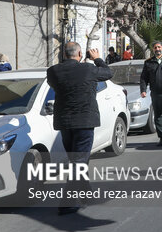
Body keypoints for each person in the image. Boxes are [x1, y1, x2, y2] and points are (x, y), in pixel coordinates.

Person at [46, 42, 113, 215]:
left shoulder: (53, 71)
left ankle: (85, 193)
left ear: (64, 54)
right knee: (79, 162)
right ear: (80, 54)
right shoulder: (88, 69)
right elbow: (108, 73)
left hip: (65, 123)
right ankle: (67, 202)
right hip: (84, 121)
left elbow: (56, 84)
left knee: (77, 160)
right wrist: (97, 59)